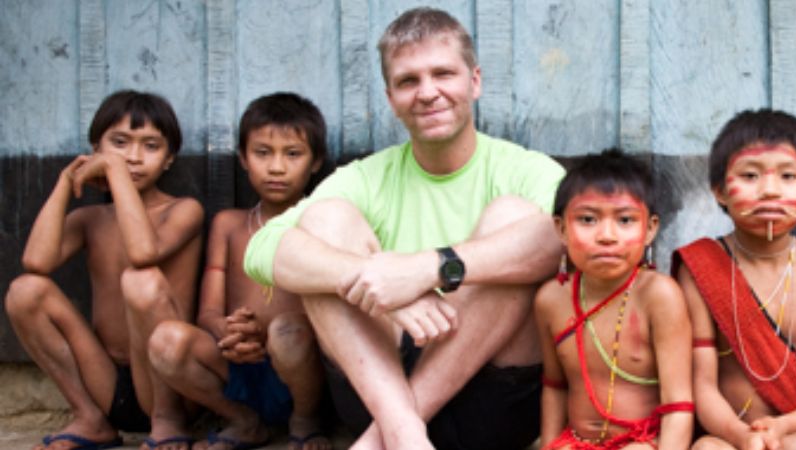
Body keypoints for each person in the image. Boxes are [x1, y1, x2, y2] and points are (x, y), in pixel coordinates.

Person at [242, 7, 565, 450]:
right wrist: (373, 281)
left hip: (493, 401)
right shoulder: (366, 177)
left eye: (443, 74)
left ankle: (384, 440)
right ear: (391, 97)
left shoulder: (526, 170)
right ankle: (404, 432)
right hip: (379, 386)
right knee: (323, 223)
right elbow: (262, 248)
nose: (428, 92)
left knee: (514, 220)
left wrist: (430, 268)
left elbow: (563, 241)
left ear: (474, 81)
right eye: (408, 81)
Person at [5, 90, 204, 450]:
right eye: (119, 143)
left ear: (169, 159)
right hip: (107, 381)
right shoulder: (91, 219)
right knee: (25, 290)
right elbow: (36, 261)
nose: (132, 157)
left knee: (141, 280)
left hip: (170, 384)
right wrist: (67, 183)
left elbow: (143, 252)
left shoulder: (183, 211)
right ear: (95, 148)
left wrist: (114, 172)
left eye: (150, 146)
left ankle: (167, 420)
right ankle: (90, 418)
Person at [147, 93, 330, 450]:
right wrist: (229, 333)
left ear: (315, 161)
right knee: (165, 341)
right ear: (244, 159)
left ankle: (305, 420)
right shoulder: (229, 225)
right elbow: (208, 312)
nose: (276, 167)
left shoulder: (322, 223)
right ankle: (243, 421)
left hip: (297, 364)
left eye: (292, 154)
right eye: (263, 153)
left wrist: (264, 336)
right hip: (234, 363)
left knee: (286, 332)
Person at [674, 109, 796, 450]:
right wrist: (741, 436)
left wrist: (783, 427)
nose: (770, 191)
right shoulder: (699, 266)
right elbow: (701, 384)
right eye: (750, 176)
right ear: (720, 191)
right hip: (727, 434)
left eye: (788, 177)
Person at [535, 149, 694, 449]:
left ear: (650, 230)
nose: (606, 236)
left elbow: (678, 405)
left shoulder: (659, 295)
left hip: (643, 441)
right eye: (587, 219)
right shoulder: (551, 299)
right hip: (577, 441)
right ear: (560, 228)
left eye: (624, 220)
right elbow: (555, 388)